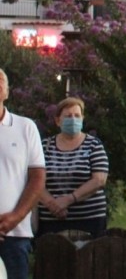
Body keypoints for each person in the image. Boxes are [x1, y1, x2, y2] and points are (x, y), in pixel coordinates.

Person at [37, 96, 110, 238]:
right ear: (58, 120)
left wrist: (69, 199)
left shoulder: (94, 145)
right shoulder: (44, 146)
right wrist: (53, 205)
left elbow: (99, 180)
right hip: (51, 220)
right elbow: (34, 179)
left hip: (89, 220)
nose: (73, 119)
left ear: (82, 118)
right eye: (68, 116)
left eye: (77, 115)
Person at [0, 69, 45, 279]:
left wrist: (15, 217)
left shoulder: (26, 127)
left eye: (0, 80)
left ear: (7, 92)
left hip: (14, 235)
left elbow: (37, 179)